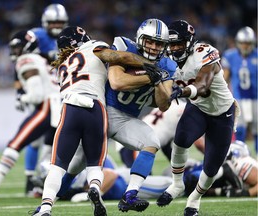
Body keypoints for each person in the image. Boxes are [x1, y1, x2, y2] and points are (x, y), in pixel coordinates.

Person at [31, 26, 166, 216]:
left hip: (70, 108)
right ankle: (95, 188)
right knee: (95, 163)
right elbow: (119, 58)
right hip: (96, 109)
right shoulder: (94, 46)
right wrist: (149, 65)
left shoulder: (62, 66)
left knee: (60, 165)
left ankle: (45, 207)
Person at [156, 20, 239, 216]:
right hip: (198, 108)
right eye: (172, 44)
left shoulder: (204, 52)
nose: (175, 48)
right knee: (180, 141)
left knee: (211, 168)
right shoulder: (166, 59)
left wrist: (182, 91)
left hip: (223, 113)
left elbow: (202, 86)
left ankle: (194, 199)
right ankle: (177, 185)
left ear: (190, 42)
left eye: (179, 44)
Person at [0, 30, 61, 200]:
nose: (15, 51)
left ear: (28, 46)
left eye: (18, 47)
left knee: (14, 145)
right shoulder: (42, 59)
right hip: (59, 108)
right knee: (49, 153)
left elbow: (36, 95)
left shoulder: (26, 60)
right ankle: (43, 189)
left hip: (47, 108)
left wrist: (22, 98)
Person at [105, 18, 176, 212]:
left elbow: (163, 104)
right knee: (75, 163)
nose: (154, 47)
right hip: (100, 113)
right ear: (139, 39)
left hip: (126, 119)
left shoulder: (168, 65)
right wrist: (148, 75)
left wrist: (158, 81)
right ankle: (52, 195)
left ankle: (130, 195)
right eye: (150, 41)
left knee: (151, 141)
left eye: (159, 43)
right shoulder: (124, 46)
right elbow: (116, 82)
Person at [20, 3, 69, 196]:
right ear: (45, 22)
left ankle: (41, 177)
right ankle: (30, 177)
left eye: (60, 22)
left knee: (53, 137)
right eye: (53, 22)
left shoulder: (68, 37)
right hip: (42, 91)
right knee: (35, 139)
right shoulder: (36, 36)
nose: (56, 25)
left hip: (62, 92)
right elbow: (22, 61)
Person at [221, 26, 257, 153]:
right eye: (242, 43)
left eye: (247, 43)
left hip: (256, 98)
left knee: (256, 131)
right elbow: (225, 77)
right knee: (239, 130)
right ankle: (240, 157)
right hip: (239, 98)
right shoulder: (230, 56)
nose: (245, 46)